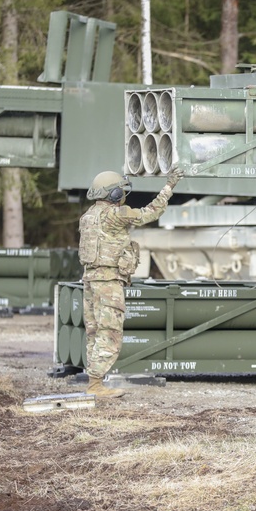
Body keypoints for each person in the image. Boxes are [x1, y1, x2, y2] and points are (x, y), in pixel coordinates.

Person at [80, 168, 182, 398]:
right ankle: (95, 386)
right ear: (114, 194)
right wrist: (169, 187)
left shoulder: (88, 216)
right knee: (110, 333)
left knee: (95, 332)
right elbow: (150, 213)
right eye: (121, 191)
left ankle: (94, 381)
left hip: (90, 280)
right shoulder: (115, 215)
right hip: (108, 283)